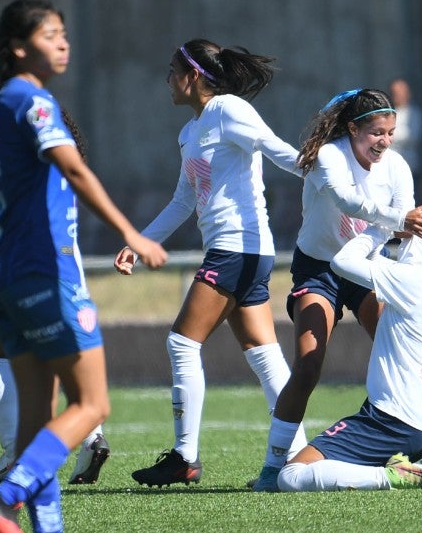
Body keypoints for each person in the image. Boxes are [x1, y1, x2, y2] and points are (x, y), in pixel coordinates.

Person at [0, 0, 166, 533]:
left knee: (38, 424)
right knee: (93, 404)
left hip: (1, 280)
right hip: (44, 271)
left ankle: (46, 527)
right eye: (51, 34)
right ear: (18, 47)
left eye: (65, 33)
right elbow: (75, 172)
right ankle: (5, 496)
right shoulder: (34, 103)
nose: (64, 42)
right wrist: (132, 234)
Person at [114, 38, 308, 488]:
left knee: (182, 344)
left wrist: (332, 178)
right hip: (241, 251)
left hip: (238, 248)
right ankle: (299, 454)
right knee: (265, 356)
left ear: (193, 76)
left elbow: (276, 149)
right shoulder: (190, 130)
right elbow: (183, 201)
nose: (166, 79)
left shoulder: (228, 110)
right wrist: (140, 242)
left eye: (171, 70)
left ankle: (185, 456)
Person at [251, 88, 422, 491]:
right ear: (353, 128)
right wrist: (399, 219)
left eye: (391, 133)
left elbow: (403, 235)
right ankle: (273, 467)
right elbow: (349, 202)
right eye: (377, 132)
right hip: (319, 270)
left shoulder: (396, 167)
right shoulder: (329, 156)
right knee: (308, 363)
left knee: (405, 352)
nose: (385, 142)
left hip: (368, 266)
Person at [276, 207, 422, 491]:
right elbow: (383, 260)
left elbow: (342, 262)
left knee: (290, 476)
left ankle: (392, 476)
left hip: (392, 424)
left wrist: (386, 226)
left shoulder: (414, 277)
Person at [0, 207, 110, 486]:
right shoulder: (68, 184)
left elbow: (1, 204)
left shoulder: (26, 170)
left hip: (14, 270)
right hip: (66, 277)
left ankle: (14, 454)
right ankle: (92, 438)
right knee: (63, 359)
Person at [388, 78, 422, 174]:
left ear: (407, 94)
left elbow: (412, 137)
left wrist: (386, 135)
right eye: (394, 93)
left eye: (400, 93)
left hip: (409, 165)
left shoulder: (414, 114)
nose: (397, 96)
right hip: (388, 166)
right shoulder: (386, 113)